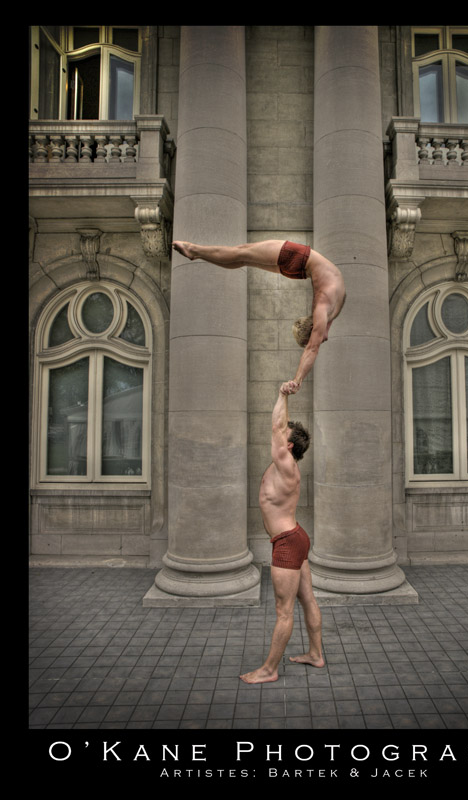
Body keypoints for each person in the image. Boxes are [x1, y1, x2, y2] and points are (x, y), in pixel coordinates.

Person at [172, 239, 346, 392]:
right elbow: (312, 349)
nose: (321, 339)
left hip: (299, 268)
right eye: (313, 337)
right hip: (297, 257)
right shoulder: (322, 309)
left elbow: (320, 337)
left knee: (243, 258)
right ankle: (194, 249)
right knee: (241, 252)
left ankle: (199, 255)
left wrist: (320, 335)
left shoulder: (331, 311)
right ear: (312, 328)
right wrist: (297, 380)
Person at [239, 381, 324, 684]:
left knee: (283, 611)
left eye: (284, 435)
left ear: (288, 447)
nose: (280, 432)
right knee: (308, 599)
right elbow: (280, 427)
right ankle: (315, 654)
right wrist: (284, 400)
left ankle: (269, 670)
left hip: (287, 543)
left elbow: (276, 427)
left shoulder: (285, 464)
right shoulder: (284, 466)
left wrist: (282, 394)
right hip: (295, 536)